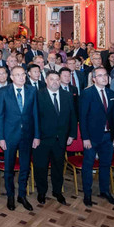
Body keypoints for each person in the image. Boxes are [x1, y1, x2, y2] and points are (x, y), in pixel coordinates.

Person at [0, 66, 39, 211]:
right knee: (9, 168)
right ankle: (10, 196)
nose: (21, 77)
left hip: (27, 135)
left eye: (23, 75)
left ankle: (22, 195)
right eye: (17, 75)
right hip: (9, 136)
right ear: (11, 77)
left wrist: (37, 135)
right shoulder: (3, 92)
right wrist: (0, 137)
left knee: (25, 167)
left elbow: (35, 115)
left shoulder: (32, 91)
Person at [33, 72, 77, 205]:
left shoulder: (67, 95)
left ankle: (57, 191)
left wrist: (72, 134)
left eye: (57, 79)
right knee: (41, 167)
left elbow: (73, 117)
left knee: (58, 166)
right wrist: (35, 136)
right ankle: (42, 192)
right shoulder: (38, 95)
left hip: (61, 139)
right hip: (42, 139)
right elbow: (34, 118)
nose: (55, 82)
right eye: (52, 79)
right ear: (46, 80)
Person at [78, 68, 114, 207]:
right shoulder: (87, 93)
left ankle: (104, 191)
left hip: (108, 137)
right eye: (100, 75)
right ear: (94, 79)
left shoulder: (111, 93)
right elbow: (82, 117)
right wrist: (85, 138)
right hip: (92, 137)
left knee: (105, 165)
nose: (104, 78)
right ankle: (87, 194)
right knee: (88, 166)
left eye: (105, 75)